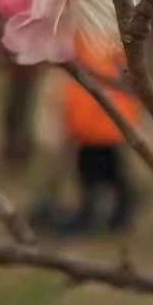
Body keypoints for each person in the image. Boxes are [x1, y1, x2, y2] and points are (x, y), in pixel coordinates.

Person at [47, 42, 141, 235]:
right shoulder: (101, 47)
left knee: (97, 173)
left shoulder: (94, 47)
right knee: (105, 172)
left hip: (98, 126)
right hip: (98, 125)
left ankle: (97, 214)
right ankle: (116, 211)